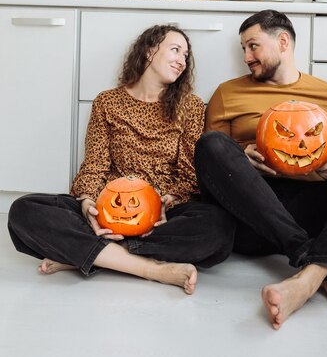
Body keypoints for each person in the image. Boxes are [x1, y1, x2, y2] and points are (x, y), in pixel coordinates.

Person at [194, 9, 327, 328]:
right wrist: (240, 156)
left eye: (253, 46)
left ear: (282, 42)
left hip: (311, 208)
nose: (247, 57)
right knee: (210, 144)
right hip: (251, 215)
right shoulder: (228, 93)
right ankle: (324, 268)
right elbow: (213, 168)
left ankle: (309, 278)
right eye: (243, 49)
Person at [8, 25, 234, 295]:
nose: (182, 61)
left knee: (219, 227)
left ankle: (90, 256)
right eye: (175, 50)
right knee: (23, 210)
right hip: (108, 210)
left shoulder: (191, 106)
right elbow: (95, 164)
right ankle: (153, 268)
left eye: (186, 56)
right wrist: (88, 203)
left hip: (163, 214)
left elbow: (188, 175)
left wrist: (168, 200)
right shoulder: (107, 102)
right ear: (149, 51)